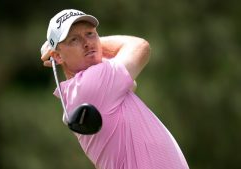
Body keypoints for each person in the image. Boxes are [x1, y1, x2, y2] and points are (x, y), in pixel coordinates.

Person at [40, 9, 189, 169]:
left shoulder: (85, 88)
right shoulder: (92, 84)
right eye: (74, 40)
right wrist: (94, 43)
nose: (87, 42)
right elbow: (140, 47)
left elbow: (131, 83)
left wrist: (69, 47)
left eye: (90, 33)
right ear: (57, 57)